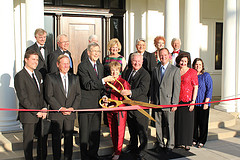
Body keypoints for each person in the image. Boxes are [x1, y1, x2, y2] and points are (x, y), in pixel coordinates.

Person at [77, 42, 115, 160]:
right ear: (88, 52)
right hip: (86, 105)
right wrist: (104, 81)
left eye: (98, 51)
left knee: (95, 133)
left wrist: (104, 96)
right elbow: (87, 84)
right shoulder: (82, 66)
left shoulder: (100, 66)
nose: (96, 54)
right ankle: (85, 157)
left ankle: (94, 155)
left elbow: (102, 87)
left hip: (97, 105)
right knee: (84, 134)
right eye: (94, 51)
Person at [44, 55, 81, 160]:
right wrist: (60, 108)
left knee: (69, 139)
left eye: (67, 63)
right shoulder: (50, 77)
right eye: (63, 63)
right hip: (57, 114)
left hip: (70, 114)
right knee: (56, 139)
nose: (66, 65)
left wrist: (72, 108)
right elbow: (49, 95)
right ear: (57, 64)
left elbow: (78, 95)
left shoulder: (75, 78)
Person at [14, 50, 48, 160]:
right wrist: (35, 111)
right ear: (26, 60)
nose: (36, 62)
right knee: (28, 143)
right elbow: (23, 98)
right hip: (28, 116)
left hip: (41, 114)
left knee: (41, 141)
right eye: (33, 59)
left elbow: (41, 94)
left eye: (37, 60)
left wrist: (43, 107)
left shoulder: (38, 74)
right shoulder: (20, 76)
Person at [150, 48, 181, 154]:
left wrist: (174, 103)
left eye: (165, 55)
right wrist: (153, 100)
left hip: (169, 102)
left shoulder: (175, 70)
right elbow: (153, 86)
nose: (163, 57)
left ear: (169, 56)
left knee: (169, 124)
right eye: (161, 55)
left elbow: (177, 88)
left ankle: (170, 144)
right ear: (159, 56)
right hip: (157, 102)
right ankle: (160, 143)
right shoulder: (155, 69)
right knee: (158, 124)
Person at [121, 53, 151, 160]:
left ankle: (142, 151)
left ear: (142, 62)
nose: (136, 63)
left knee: (142, 130)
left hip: (140, 107)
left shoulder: (145, 74)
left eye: (139, 61)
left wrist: (129, 92)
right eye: (134, 61)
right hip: (129, 106)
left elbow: (143, 90)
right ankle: (133, 146)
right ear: (131, 61)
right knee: (132, 129)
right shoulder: (128, 71)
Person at [102, 61, 131, 160]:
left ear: (120, 71)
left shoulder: (123, 82)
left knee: (120, 131)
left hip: (120, 110)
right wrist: (105, 99)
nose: (114, 72)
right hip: (110, 110)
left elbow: (127, 98)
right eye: (112, 70)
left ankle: (118, 152)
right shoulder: (108, 82)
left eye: (116, 70)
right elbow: (105, 93)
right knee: (112, 131)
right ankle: (115, 150)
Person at [175, 52, 198, 151]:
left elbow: (195, 87)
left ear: (188, 62)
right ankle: (179, 142)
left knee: (188, 123)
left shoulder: (192, 72)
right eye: (181, 61)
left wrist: (193, 101)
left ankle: (187, 143)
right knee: (179, 122)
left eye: (185, 61)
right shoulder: (175, 71)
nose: (183, 63)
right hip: (177, 100)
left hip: (188, 100)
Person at [192, 58, 213, 148]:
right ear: (194, 65)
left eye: (200, 64)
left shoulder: (206, 75)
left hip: (203, 104)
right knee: (194, 123)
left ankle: (202, 140)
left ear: (202, 66)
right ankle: (194, 139)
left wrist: (206, 102)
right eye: (196, 64)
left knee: (203, 123)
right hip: (194, 104)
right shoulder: (192, 75)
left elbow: (210, 89)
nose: (198, 66)